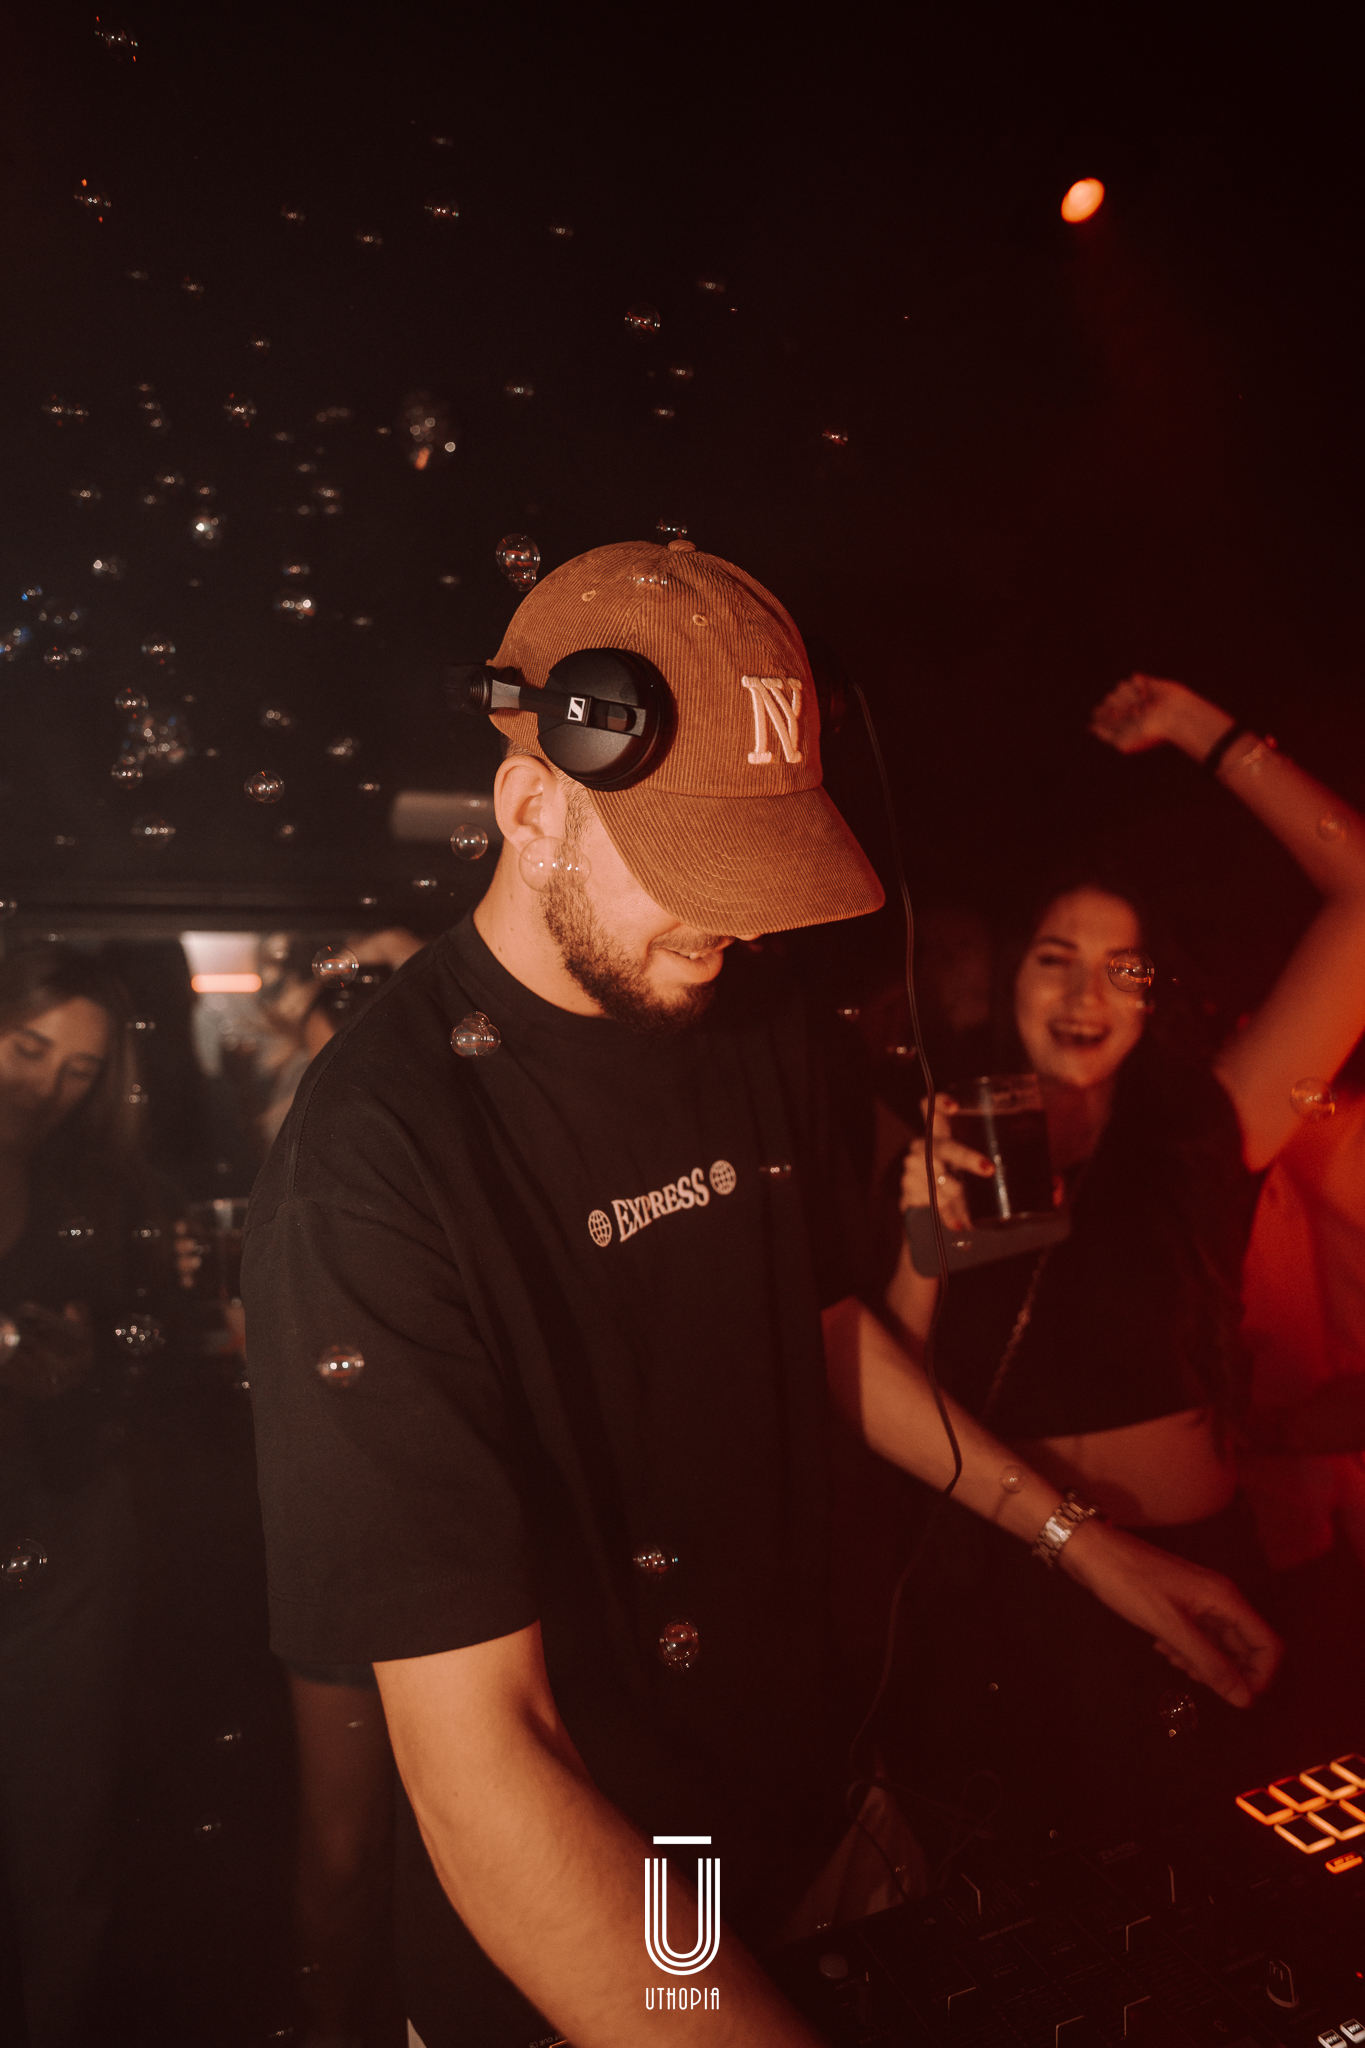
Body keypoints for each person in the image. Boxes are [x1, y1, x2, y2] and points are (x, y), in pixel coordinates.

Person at [244, 548, 1279, 2048]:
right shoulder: (373, 1165)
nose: (733, 922)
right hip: (604, 1903)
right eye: (693, 863)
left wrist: (1082, 1542)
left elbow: (817, 1329)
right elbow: (486, 1758)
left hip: (831, 1819)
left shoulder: (750, 1014)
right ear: (532, 807)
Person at [883, 675, 1365, 1827]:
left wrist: (1204, 730)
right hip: (1017, 1580)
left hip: (1199, 1570)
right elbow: (890, 1391)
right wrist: (921, 1238)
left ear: (1153, 998)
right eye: (1056, 955)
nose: (1087, 991)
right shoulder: (948, 1129)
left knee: (1223, 1873)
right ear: (1013, 972)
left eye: (1124, 967)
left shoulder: (1212, 1121)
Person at [0, 945, 179, 2048]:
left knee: (61, 1843)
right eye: (27, 1048)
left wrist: (82, 1367)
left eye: (79, 1070)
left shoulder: (92, 1190)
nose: (48, 1086)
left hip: (61, 1535)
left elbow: (139, 1356)